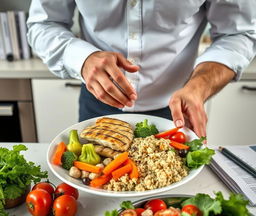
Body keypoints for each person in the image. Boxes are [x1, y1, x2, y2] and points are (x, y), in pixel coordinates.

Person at [27, 1, 256, 138]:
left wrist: (199, 87)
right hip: (97, 104)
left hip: (178, 110)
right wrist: (83, 59)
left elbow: (238, 33)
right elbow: (43, 23)